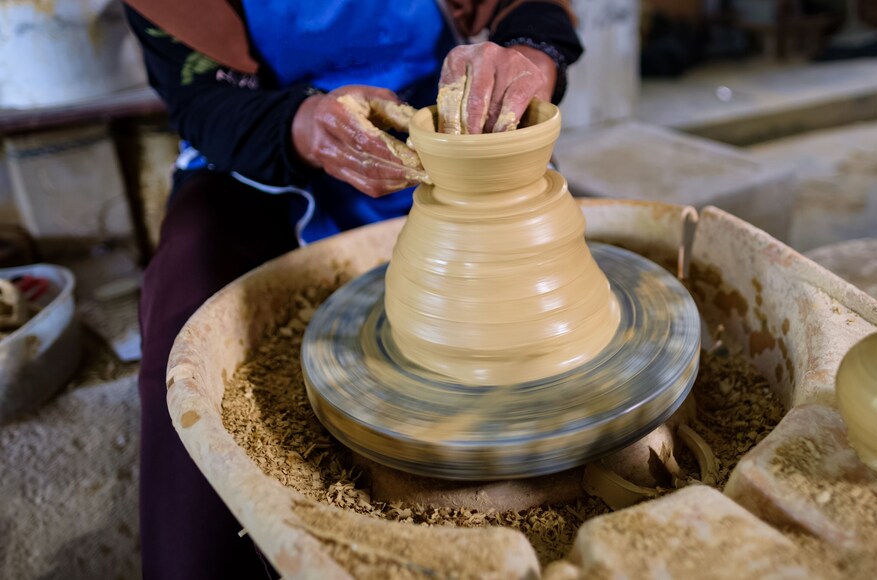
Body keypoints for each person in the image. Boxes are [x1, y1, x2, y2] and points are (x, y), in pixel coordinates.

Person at [122, 1, 583, 577]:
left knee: (560, 258)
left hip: (447, 126)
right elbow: (199, 100)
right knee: (185, 314)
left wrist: (531, 58)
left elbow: (532, 11)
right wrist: (304, 126)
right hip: (259, 140)